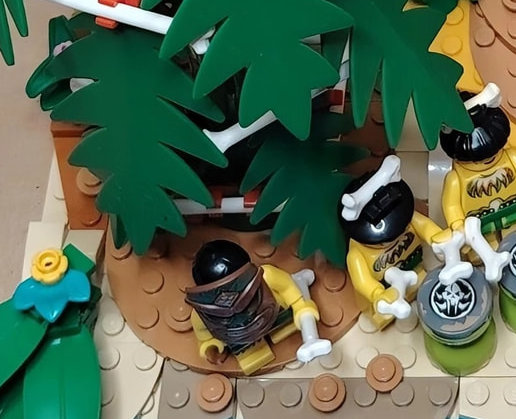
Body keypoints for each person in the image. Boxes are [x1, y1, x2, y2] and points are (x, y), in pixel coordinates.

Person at [437, 85, 516, 247]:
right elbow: (451, 204)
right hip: (481, 228)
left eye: (493, 153)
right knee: (484, 251)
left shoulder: (511, 157)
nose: (488, 160)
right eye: (478, 160)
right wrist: (457, 224)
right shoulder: (456, 179)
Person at [184, 238, 319, 372]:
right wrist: (210, 346)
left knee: (286, 323)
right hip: (241, 339)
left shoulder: (267, 277)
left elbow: (287, 287)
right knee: (249, 355)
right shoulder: (203, 314)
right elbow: (203, 332)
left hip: (276, 313)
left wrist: (299, 306)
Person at [341, 158, 443, 325]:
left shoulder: (406, 223)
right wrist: (377, 294)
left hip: (414, 271)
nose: (394, 239)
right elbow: (362, 282)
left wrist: (437, 237)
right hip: (385, 295)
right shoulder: (357, 254)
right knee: (384, 313)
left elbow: (424, 225)